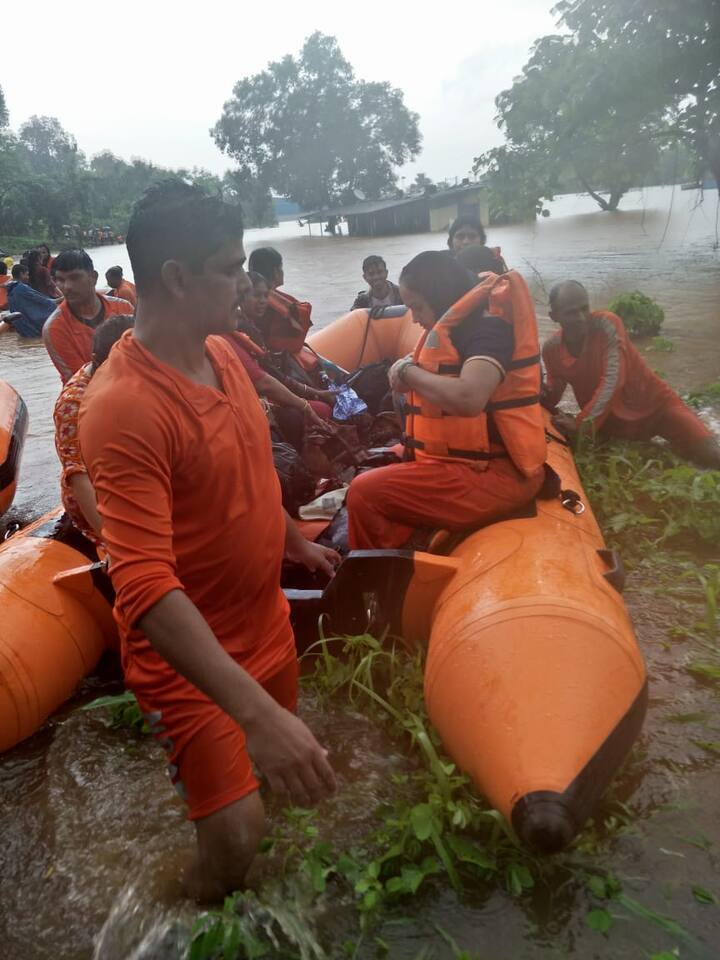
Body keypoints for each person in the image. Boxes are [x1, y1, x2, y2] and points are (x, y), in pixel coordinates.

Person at [78, 180, 338, 901]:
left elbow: (246, 463)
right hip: (191, 659)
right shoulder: (126, 407)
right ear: (176, 276)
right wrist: (252, 712)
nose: (245, 284)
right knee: (235, 836)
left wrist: (291, 537)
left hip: (266, 623)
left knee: (286, 789)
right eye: (230, 269)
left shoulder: (222, 353)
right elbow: (145, 587)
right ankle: (179, 916)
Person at [346, 251, 547, 549]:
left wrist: (409, 372)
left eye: (417, 307)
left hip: (497, 473)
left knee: (363, 492)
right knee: (383, 457)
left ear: (439, 296)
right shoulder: (458, 324)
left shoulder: (489, 330)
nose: (413, 317)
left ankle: (382, 585)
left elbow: (470, 397)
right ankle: (418, 539)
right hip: (465, 461)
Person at [543, 280, 720, 468]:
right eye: (571, 312)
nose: (580, 317)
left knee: (711, 456)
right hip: (610, 423)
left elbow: (612, 382)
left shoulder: (607, 324)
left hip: (657, 408)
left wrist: (581, 426)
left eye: (584, 308)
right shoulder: (551, 349)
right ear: (554, 316)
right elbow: (553, 393)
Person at [53, 314, 135, 544]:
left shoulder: (142, 374)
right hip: (98, 493)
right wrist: (115, 544)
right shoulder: (74, 403)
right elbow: (78, 476)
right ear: (97, 361)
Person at [241, 271, 335, 407]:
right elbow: (270, 376)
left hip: (272, 386)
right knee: (324, 409)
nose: (262, 301)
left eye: (265, 295)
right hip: (262, 397)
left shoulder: (253, 326)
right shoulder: (244, 329)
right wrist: (312, 396)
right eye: (256, 295)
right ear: (240, 297)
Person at [43, 249, 133, 382]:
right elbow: (79, 379)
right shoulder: (55, 328)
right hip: (87, 393)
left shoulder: (124, 308)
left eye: (75, 278)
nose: (67, 286)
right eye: (60, 280)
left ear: (94, 277)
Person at [247, 247, 313, 354]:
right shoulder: (273, 307)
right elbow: (293, 343)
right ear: (276, 271)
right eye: (281, 267)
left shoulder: (247, 297)